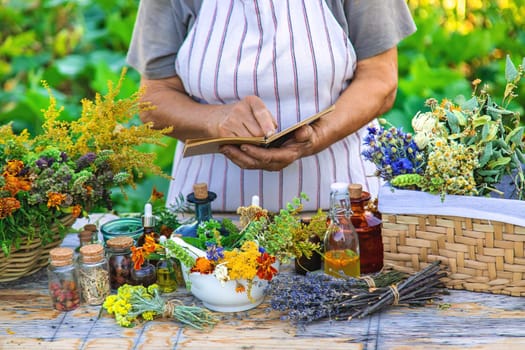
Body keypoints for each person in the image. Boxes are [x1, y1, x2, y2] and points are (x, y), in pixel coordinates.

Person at [126, 0, 416, 213]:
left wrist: (318, 135)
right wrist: (215, 119)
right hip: (210, 219)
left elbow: (379, 78)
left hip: (345, 214)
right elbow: (154, 97)